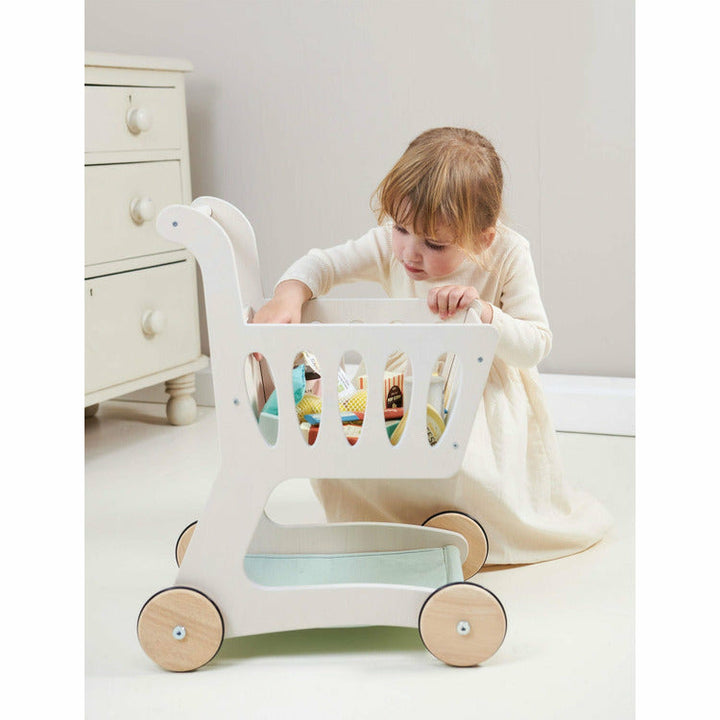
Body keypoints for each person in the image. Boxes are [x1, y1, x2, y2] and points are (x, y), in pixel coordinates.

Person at [253, 127, 611, 565]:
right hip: (407, 380)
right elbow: (322, 264)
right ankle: (385, 523)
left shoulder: (508, 254)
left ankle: (467, 521)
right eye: (401, 228)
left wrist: (483, 315)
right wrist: (290, 294)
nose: (410, 253)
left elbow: (536, 343)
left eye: (435, 244)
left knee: (469, 466)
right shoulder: (391, 246)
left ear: (483, 238)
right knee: (355, 438)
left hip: (479, 390)